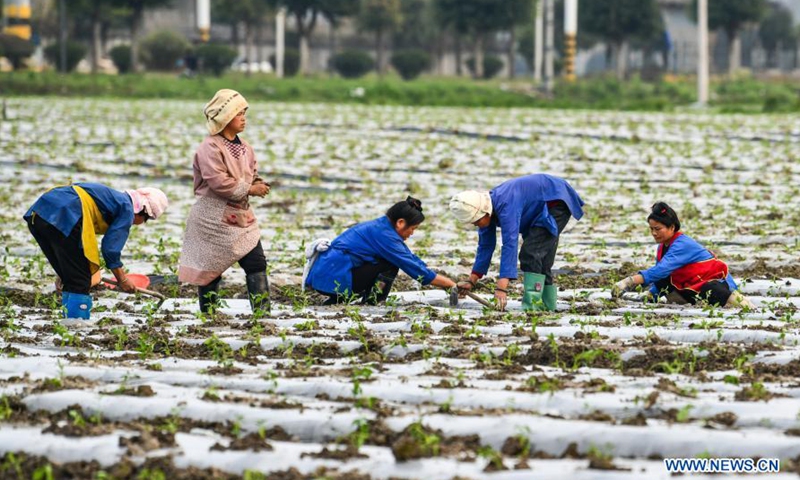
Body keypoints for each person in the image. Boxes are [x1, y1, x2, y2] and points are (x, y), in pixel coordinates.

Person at [178, 89, 271, 316]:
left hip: (240, 216)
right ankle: (208, 316)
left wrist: (258, 182)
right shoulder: (209, 148)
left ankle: (262, 315)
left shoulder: (245, 147)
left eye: (244, 113)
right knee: (210, 270)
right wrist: (250, 189)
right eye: (239, 113)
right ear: (226, 118)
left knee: (256, 262)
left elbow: (251, 171)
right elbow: (219, 182)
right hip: (213, 218)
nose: (244, 118)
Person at [24, 184, 168, 319]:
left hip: (39, 214)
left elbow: (70, 245)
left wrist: (64, 270)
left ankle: (67, 322)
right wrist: (122, 280)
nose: (141, 223)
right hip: (65, 214)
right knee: (81, 280)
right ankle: (76, 326)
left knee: (72, 276)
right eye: (146, 219)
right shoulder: (127, 209)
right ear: (142, 211)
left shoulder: (113, 199)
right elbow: (110, 249)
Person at [449, 174, 584, 312]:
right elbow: (485, 246)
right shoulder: (487, 210)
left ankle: (533, 306)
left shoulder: (506, 205)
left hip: (555, 201)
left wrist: (502, 287)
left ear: (483, 211)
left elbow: (510, 244)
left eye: (476, 221)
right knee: (540, 257)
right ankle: (548, 305)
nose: (475, 224)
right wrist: (472, 280)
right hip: (539, 206)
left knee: (531, 253)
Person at [304, 197, 457, 304]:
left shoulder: (382, 228)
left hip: (328, 275)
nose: (412, 233)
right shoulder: (384, 235)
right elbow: (414, 269)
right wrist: (449, 284)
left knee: (389, 260)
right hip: (333, 276)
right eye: (412, 228)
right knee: (390, 264)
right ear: (400, 223)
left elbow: (410, 257)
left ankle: (339, 298)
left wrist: (446, 283)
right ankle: (372, 302)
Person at [612, 202, 754, 308]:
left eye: (658, 229)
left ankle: (746, 306)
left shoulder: (682, 244)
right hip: (693, 287)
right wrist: (651, 294)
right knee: (664, 278)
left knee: (711, 290)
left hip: (717, 286)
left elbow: (660, 270)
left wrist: (629, 281)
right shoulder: (663, 247)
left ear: (672, 227)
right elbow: (660, 275)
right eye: (651, 229)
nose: (654, 233)